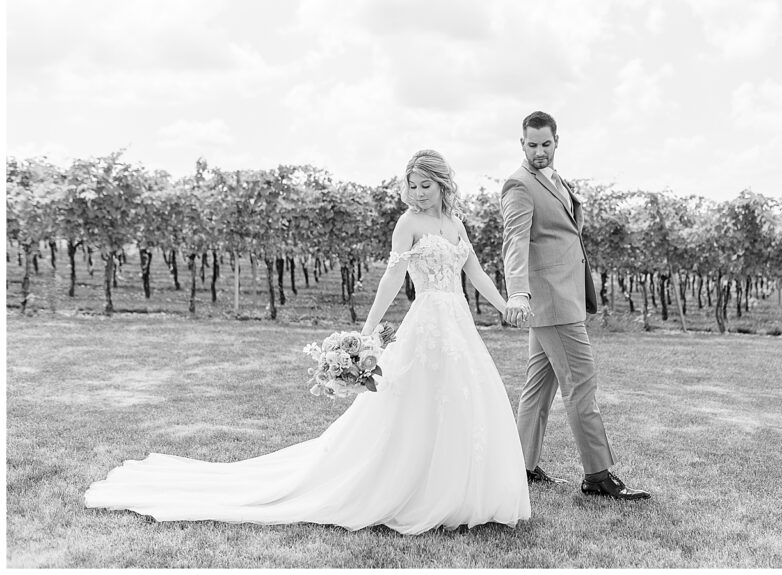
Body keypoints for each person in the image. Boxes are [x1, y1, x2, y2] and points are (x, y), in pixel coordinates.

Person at [84, 150, 530, 534]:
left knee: (461, 401)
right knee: (416, 405)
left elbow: (473, 272)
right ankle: (413, 488)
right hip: (427, 324)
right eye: (412, 185)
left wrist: (505, 303)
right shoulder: (407, 223)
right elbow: (393, 277)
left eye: (425, 185)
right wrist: (368, 332)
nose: (417, 193)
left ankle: (457, 489)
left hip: (458, 324)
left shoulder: (455, 224)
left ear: (443, 184)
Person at [501, 111, 650, 500]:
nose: (538, 151)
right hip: (550, 301)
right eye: (531, 145)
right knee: (581, 383)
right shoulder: (518, 185)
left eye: (545, 144)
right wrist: (518, 291)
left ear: (556, 141)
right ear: (521, 144)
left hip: (561, 297)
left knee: (539, 386)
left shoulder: (556, 180)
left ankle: (520, 466)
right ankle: (597, 476)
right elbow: (515, 242)